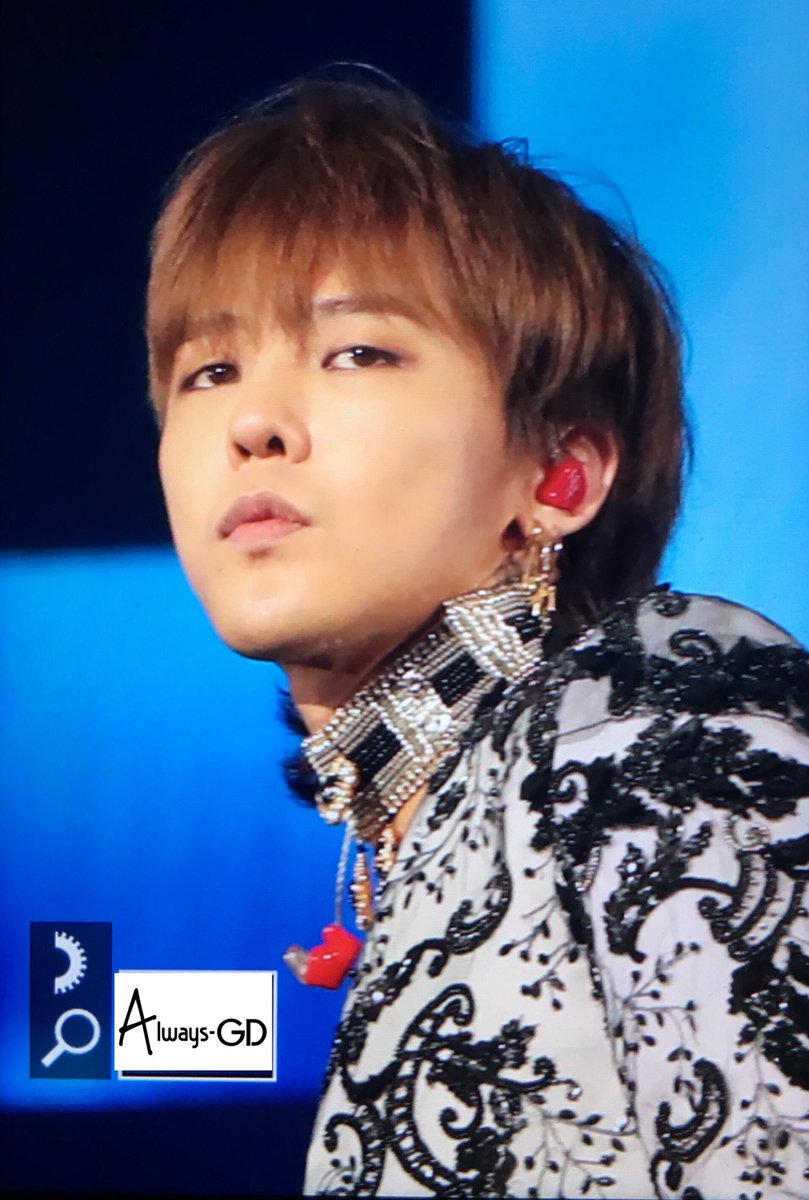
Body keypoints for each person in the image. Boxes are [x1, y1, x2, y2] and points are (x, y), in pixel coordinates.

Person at [149, 76, 808, 1199]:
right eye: (209, 370)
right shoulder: (422, 828)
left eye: (356, 352)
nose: (249, 423)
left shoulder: (650, 737)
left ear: (557, 476)